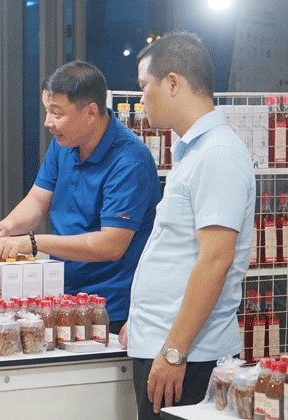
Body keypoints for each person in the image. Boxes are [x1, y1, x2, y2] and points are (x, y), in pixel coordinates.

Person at [119, 32, 255, 419]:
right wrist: (144, 320)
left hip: (188, 357)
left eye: (145, 87)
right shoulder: (193, 152)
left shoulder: (217, 154)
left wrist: (174, 350)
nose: (141, 98)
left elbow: (215, 260)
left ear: (173, 83)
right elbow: (177, 252)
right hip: (168, 347)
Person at [0, 61, 161, 334]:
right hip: (62, 298)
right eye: (47, 111)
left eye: (57, 113)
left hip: (109, 309)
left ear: (91, 112)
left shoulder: (130, 161)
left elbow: (111, 245)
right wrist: (5, 227)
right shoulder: (64, 143)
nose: (48, 123)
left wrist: (33, 243)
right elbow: (38, 200)